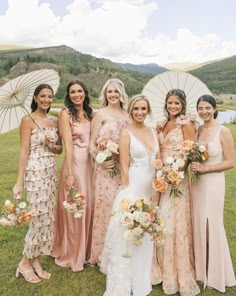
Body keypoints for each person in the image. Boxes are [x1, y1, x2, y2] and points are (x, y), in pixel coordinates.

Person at [100, 94, 160, 296]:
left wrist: (157, 186)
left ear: (148, 110)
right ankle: (123, 284)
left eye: (144, 109)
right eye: (136, 109)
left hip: (151, 189)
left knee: (145, 235)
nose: (140, 113)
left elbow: (157, 161)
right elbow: (123, 168)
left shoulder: (153, 131)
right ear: (131, 110)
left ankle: (141, 280)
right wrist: (129, 198)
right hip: (133, 190)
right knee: (129, 234)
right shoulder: (126, 133)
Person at [13, 84, 62, 283]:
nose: (46, 99)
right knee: (37, 218)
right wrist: (19, 183)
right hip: (35, 172)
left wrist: (52, 143)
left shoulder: (54, 121)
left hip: (50, 171)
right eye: (42, 96)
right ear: (35, 98)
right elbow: (24, 152)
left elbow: (59, 150)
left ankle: (37, 260)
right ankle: (25, 262)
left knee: (48, 218)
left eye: (50, 96)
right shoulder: (27, 120)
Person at [156, 89, 200, 295]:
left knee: (173, 224)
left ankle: (177, 270)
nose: (173, 106)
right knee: (160, 221)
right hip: (160, 176)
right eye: (170, 103)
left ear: (183, 104)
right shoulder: (163, 123)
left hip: (177, 179)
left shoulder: (187, 125)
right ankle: (161, 266)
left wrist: (177, 172)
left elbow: (189, 153)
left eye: (176, 103)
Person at [191, 94, 236, 293]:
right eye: (200, 108)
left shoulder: (223, 131)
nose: (204, 111)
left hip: (214, 181)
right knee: (199, 222)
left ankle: (217, 274)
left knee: (212, 223)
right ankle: (201, 272)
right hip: (198, 184)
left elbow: (231, 161)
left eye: (207, 108)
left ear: (215, 108)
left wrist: (206, 169)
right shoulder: (197, 130)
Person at [52, 80, 94, 272]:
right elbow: (68, 145)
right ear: (68, 95)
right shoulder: (65, 114)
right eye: (72, 92)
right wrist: (69, 172)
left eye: (79, 91)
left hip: (91, 165)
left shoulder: (90, 113)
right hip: (75, 164)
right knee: (77, 206)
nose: (76, 94)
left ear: (85, 93)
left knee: (90, 205)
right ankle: (72, 252)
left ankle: (87, 250)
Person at [88, 78, 128, 265]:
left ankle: (120, 251)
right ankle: (101, 253)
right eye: (109, 91)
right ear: (105, 94)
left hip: (122, 168)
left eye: (116, 91)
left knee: (120, 207)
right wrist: (102, 159)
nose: (112, 95)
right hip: (104, 170)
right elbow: (91, 145)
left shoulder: (128, 115)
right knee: (104, 209)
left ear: (122, 94)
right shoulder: (100, 114)